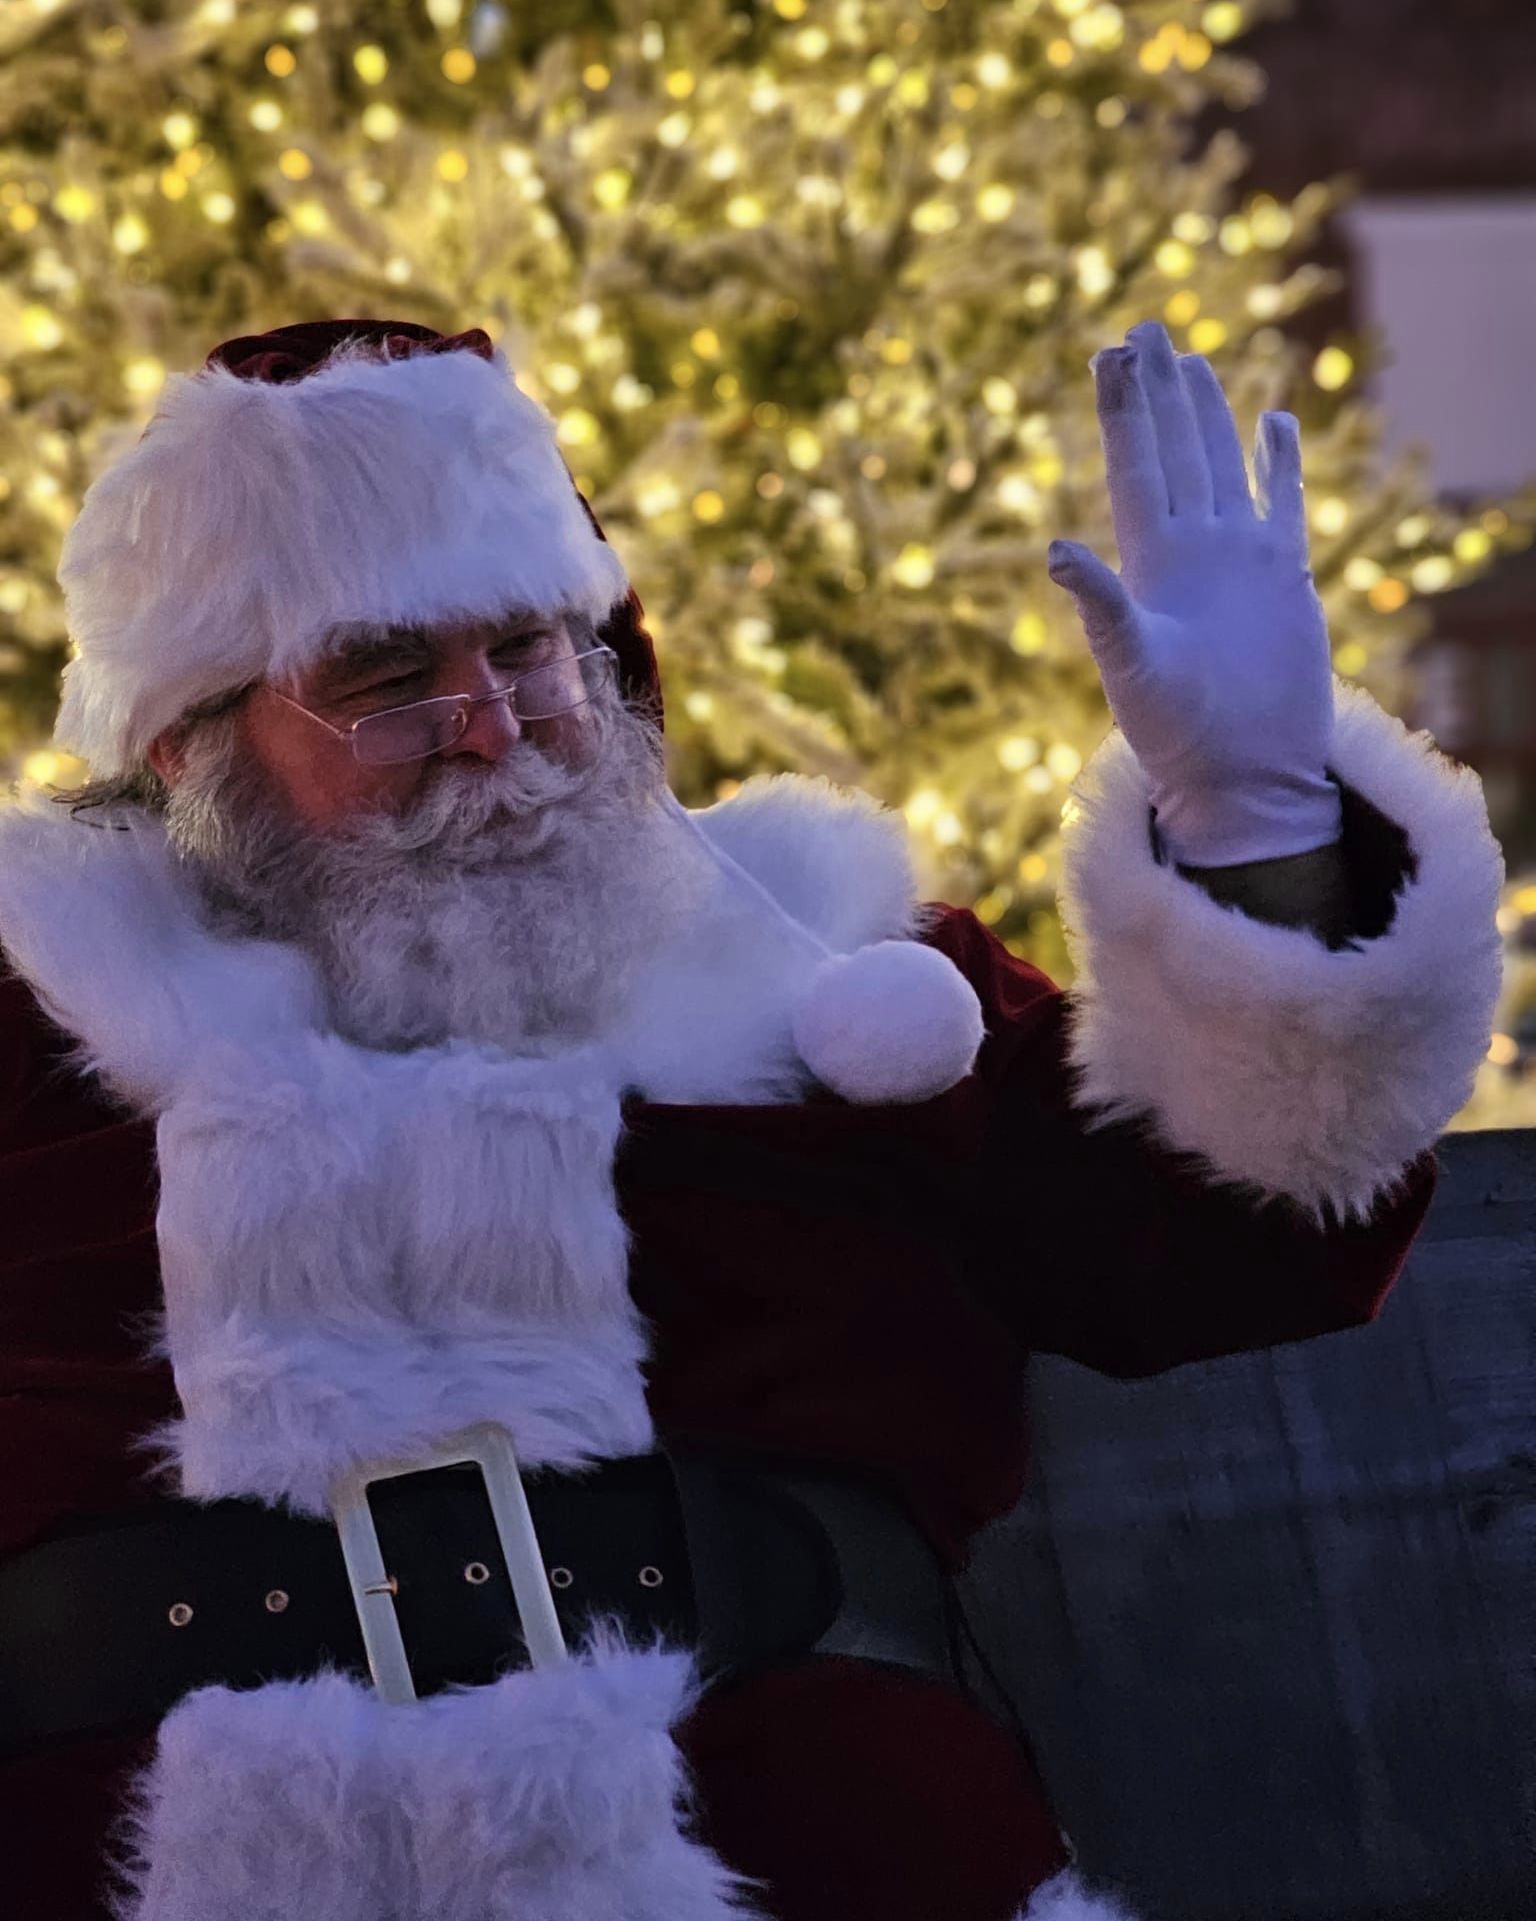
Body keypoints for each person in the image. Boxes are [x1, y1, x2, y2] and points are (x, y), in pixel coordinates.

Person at [0, 316, 1502, 1921]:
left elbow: (1237, 1233)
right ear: (190, 744)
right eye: (389, 682)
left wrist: (1258, 836)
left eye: (531, 649)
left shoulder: (826, 966)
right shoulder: (39, 1005)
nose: (497, 727)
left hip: (800, 1841)